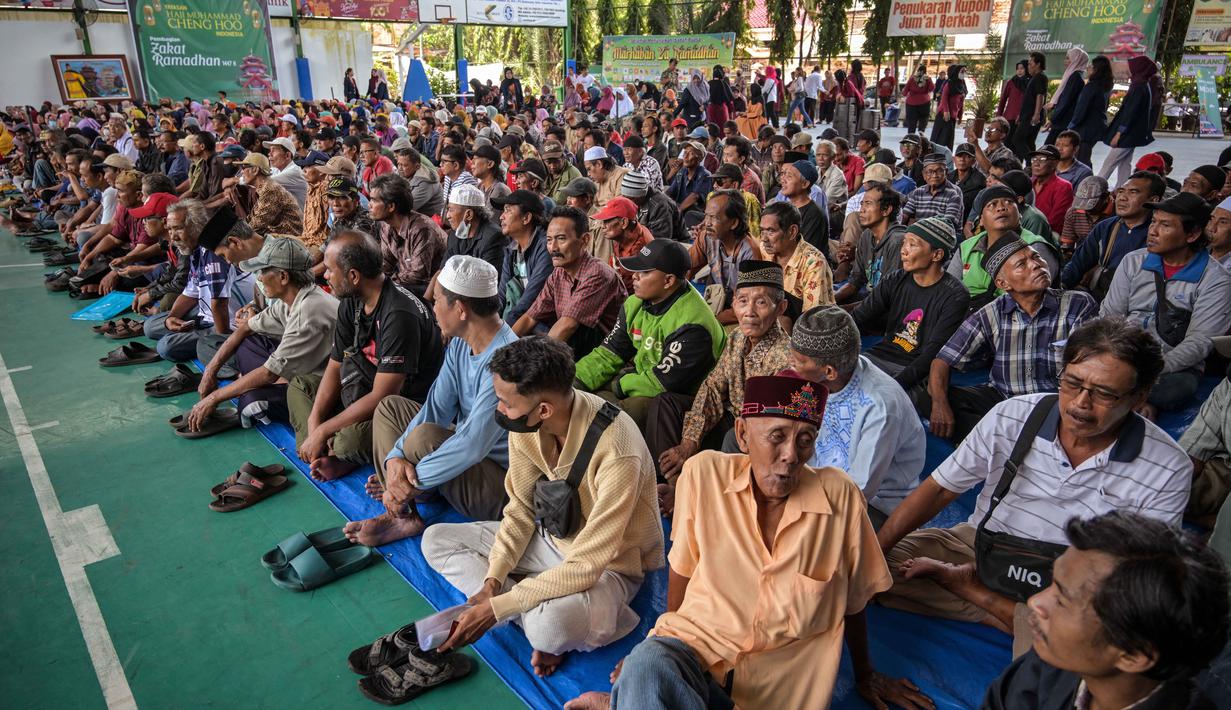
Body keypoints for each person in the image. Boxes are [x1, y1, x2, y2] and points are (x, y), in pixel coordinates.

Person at [564, 373, 930, 710]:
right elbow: (682, 568)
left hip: (774, 696)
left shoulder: (840, 498)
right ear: (742, 435)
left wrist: (866, 674)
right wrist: (659, 648)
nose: (790, 455)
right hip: (700, 658)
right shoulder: (704, 475)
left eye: (805, 441)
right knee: (649, 664)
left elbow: (855, 599)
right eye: (777, 436)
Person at [878, 317, 1192, 656]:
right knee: (868, 570)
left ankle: (978, 597)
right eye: (1072, 383)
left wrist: (978, 590)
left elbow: (1135, 574)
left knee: (1108, 642)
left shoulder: (1168, 467)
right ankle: (1016, 621)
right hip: (982, 547)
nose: (1080, 404)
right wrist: (875, 553)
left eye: (1103, 394)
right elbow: (940, 490)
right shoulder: (1013, 415)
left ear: (1138, 396)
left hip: (1076, 581)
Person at [424, 335, 664, 679]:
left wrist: (499, 608)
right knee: (436, 540)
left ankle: (543, 609)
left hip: (610, 566)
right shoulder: (526, 424)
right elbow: (520, 510)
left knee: (546, 628)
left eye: (506, 403)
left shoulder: (617, 447)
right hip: (554, 542)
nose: (499, 410)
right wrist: (493, 581)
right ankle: (539, 598)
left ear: (544, 409)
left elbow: (588, 565)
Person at [348, 255, 518, 546]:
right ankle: (405, 510)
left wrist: (406, 485)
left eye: (438, 300)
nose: (433, 308)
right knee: (391, 408)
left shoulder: (507, 362)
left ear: (461, 309)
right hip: (466, 463)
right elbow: (435, 410)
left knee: (425, 437)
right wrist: (394, 460)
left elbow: (471, 446)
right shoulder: (460, 344)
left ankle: (401, 501)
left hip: (502, 488)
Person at [982, 511, 1230, 710]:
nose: (1036, 601)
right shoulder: (1052, 664)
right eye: (1053, 583)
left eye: (1062, 600)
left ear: (1133, 655)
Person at [291, 230, 444, 482]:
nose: (325, 275)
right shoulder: (352, 300)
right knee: (300, 387)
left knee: (348, 441)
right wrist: (315, 423)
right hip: (362, 386)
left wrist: (324, 430)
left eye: (330, 270)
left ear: (353, 276)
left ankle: (336, 452)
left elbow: (384, 396)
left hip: (400, 408)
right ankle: (319, 451)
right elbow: (334, 365)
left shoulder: (399, 314)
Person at [924, 235, 1099, 440]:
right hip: (1004, 400)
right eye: (1021, 264)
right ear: (1003, 283)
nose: (1036, 265)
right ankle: (1002, 439)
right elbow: (942, 360)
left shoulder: (1077, 305)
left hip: (1057, 405)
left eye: (1036, 258)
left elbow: (1092, 368)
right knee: (930, 395)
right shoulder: (992, 313)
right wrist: (939, 404)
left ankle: (997, 440)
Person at [652, 259, 792, 491]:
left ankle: (684, 493)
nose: (749, 312)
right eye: (743, 301)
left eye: (761, 302)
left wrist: (697, 440)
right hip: (728, 418)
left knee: (731, 436)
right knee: (665, 404)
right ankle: (672, 482)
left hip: (751, 438)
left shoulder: (785, 357)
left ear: (781, 308)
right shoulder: (737, 337)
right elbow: (714, 387)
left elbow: (766, 429)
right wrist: (690, 441)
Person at [788, 306, 926, 527]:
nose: (790, 364)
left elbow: (858, 491)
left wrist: (799, 505)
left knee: (803, 535)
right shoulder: (821, 381)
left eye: (799, 361)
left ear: (830, 371)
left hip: (876, 505)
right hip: (821, 481)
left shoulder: (879, 407)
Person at [1100, 192, 1231, 415]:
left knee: (1175, 390)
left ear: (1192, 234)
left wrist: (1153, 368)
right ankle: (1135, 399)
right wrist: (1114, 355)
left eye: (1165, 225)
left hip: (1172, 366)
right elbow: (1111, 315)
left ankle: (1125, 395)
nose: (1153, 231)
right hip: (1122, 352)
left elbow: (1200, 341)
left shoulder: (1216, 279)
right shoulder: (1133, 261)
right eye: (1153, 222)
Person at [189, 236, 338, 432]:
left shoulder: (308, 310)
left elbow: (268, 373)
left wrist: (214, 397)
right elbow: (245, 328)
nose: (258, 278)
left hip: (325, 387)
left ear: (283, 277)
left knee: (251, 402)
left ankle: (254, 388)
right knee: (246, 341)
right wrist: (210, 371)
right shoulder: (291, 299)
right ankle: (251, 381)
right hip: (301, 369)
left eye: (263, 271)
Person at [574, 239, 725, 429]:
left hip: (684, 397)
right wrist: (573, 379)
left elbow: (662, 383)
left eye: (644, 272)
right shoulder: (634, 304)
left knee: (617, 414)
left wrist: (619, 385)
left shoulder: (693, 323)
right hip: (642, 378)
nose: (634, 277)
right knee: (581, 394)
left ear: (668, 280)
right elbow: (610, 353)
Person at [853, 217, 970, 390]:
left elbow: (933, 354)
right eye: (904, 243)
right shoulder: (895, 279)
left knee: (875, 402)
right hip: (879, 358)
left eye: (912, 244)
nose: (904, 251)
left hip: (916, 372)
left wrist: (893, 388)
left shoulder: (955, 295)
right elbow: (858, 317)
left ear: (937, 254)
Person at [513, 206, 626, 359]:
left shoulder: (598, 274)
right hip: (578, 347)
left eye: (561, 239)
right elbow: (530, 317)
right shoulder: (559, 273)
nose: (553, 248)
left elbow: (568, 325)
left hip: (605, 354)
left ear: (584, 240)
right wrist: (504, 348)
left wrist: (533, 362)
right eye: (549, 240)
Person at [951, 185, 1059, 310]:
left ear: (1020, 215)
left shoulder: (1034, 247)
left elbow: (1036, 295)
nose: (1001, 208)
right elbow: (950, 289)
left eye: (1009, 202)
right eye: (992, 204)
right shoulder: (967, 246)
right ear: (981, 220)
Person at [1060, 170, 1163, 296]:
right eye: (1121, 191)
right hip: (1103, 295)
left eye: (1133, 192)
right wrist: (1061, 286)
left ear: (1154, 200)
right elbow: (1078, 263)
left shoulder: (1160, 234)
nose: (1122, 198)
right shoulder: (1105, 227)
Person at [686, 189, 765, 325]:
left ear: (733, 223)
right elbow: (686, 269)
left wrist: (710, 321)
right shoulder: (706, 238)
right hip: (714, 306)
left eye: (714, 218)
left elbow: (747, 304)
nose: (707, 223)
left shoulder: (750, 253)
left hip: (738, 316)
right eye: (706, 216)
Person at [369, 172, 446, 299]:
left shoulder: (421, 229)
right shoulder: (387, 226)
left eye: (374, 200)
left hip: (432, 289)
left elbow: (418, 275)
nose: (369, 205)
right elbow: (386, 264)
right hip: (407, 282)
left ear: (391, 206)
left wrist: (383, 283)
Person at [758, 201, 835, 318]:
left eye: (771, 231)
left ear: (792, 231)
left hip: (805, 323)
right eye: (762, 230)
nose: (763, 238)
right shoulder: (764, 250)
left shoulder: (814, 262)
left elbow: (813, 316)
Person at [835, 183, 906, 304]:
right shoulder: (867, 235)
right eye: (862, 203)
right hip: (869, 297)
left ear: (886, 210)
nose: (861, 209)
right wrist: (831, 301)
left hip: (886, 307)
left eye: (868, 203)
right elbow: (855, 281)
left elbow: (886, 297)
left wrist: (844, 311)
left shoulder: (897, 241)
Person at [494, 189, 552, 326]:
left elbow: (530, 299)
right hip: (518, 319)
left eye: (508, 210)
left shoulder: (545, 247)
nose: (501, 217)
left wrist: (503, 333)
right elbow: (502, 295)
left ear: (526, 218)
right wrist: (489, 323)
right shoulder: (512, 249)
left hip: (540, 324)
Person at [1098, 56, 1157, 188]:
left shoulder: (1138, 87)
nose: (1129, 68)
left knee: (1110, 162)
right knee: (1124, 163)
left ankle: (1095, 187)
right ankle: (1121, 188)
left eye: (1132, 66)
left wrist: (1119, 134)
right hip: (1133, 134)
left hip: (1127, 134)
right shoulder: (1143, 85)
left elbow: (1130, 113)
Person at [441, 183, 506, 275]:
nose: (448, 216)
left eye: (451, 210)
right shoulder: (454, 235)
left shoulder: (494, 237)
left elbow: (486, 280)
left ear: (468, 215)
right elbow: (442, 271)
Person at [235, 152, 303, 237]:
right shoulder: (265, 187)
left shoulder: (270, 189)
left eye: (244, 167)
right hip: (280, 237)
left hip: (287, 241)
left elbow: (255, 226)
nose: (241, 172)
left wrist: (234, 234)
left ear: (255, 170)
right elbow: (252, 218)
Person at [901, 153, 965, 233]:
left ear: (946, 172)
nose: (934, 175)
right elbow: (904, 216)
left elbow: (948, 224)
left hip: (944, 238)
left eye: (939, 171)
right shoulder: (918, 192)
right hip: (919, 235)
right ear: (924, 174)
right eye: (930, 171)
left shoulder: (954, 194)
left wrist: (915, 226)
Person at [774, 159, 828, 253]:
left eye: (789, 176)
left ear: (805, 184)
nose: (783, 180)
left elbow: (805, 251)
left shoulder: (814, 214)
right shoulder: (785, 208)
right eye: (784, 174)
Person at [1043, 48, 1088, 146]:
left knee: (1049, 150)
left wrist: (1053, 119)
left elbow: (1066, 101)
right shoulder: (1075, 75)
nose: (1065, 62)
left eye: (1068, 58)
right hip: (1063, 120)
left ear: (1076, 59)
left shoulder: (1075, 77)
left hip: (1062, 121)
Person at [620, 171, 680, 244]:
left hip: (672, 246)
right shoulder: (632, 200)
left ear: (640, 196)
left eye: (630, 198)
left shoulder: (660, 205)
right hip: (643, 243)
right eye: (624, 197)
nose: (626, 201)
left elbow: (660, 241)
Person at [1060, 175, 1112, 258]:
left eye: (1091, 205)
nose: (1086, 209)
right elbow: (1067, 244)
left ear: (1105, 196)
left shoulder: (1118, 213)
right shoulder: (1073, 212)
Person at [1028, 145, 1074, 234]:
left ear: (1054, 163)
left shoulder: (1063, 187)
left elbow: (1055, 220)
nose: (1036, 163)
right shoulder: (1028, 183)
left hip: (1049, 233)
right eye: (1034, 159)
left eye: (1042, 159)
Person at [1012, 52, 1049, 159]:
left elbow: (1040, 95)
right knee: (1029, 141)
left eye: (1030, 63)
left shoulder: (1040, 77)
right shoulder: (1034, 78)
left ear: (1038, 64)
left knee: (1017, 139)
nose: (1028, 66)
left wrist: (1037, 113)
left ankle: (1031, 160)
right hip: (1026, 115)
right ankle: (1031, 166)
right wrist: (1021, 114)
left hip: (1031, 116)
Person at [263, 136, 309, 208]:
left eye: (274, 150)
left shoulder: (293, 172)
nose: (270, 154)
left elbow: (261, 182)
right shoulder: (277, 169)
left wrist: (240, 180)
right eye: (270, 150)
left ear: (287, 155)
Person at [931, 65, 966, 149]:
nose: (963, 74)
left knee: (949, 138)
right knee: (941, 138)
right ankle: (937, 156)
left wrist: (960, 115)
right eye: (962, 72)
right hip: (944, 115)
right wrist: (946, 111)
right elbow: (944, 98)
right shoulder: (949, 83)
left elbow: (961, 101)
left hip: (953, 116)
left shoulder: (962, 84)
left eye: (964, 72)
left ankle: (946, 157)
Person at [951, 143, 987, 220]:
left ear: (974, 161)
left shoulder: (979, 181)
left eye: (967, 156)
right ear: (954, 159)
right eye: (959, 156)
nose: (962, 159)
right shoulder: (948, 177)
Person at [902, 65, 934, 134]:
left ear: (918, 71)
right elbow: (932, 88)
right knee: (924, 118)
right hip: (924, 102)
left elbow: (905, 92)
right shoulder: (927, 79)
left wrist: (904, 94)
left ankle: (911, 135)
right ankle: (921, 131)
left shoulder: (912, 79)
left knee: (911, 121)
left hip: (911, 103)